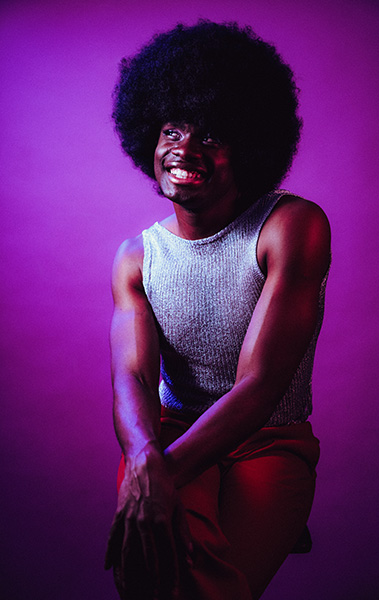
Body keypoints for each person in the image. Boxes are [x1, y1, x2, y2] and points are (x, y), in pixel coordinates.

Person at [105, 20, 331, 600]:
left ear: (247, 148)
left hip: (268, 440)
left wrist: (153, 481)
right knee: (155, 582)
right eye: (172, 130)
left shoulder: (291, 225)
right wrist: (144, 460)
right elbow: (133, 378)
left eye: (211, 135)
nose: (184, 149)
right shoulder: (136, 258)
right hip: (171, 435)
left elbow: (259, 385)